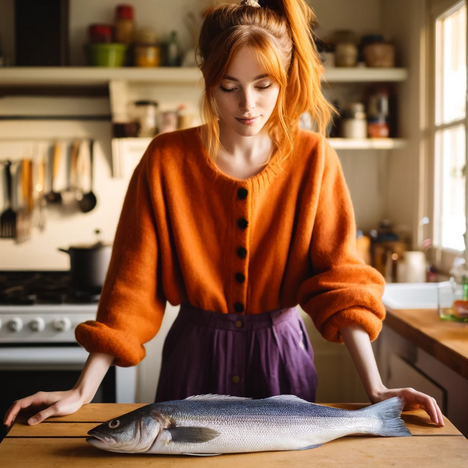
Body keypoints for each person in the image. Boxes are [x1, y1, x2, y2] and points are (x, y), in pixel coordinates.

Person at [4, 0, 444, 429]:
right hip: (194, 357)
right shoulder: (166, 160)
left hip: (281, 357)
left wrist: (377, 388)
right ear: (207, 80)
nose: (247, 104)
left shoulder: (315, 159)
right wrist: (82, 391)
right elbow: (131, 288)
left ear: (285, 78)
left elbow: (342, 280)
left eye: (263, 84)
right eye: (229, 86)